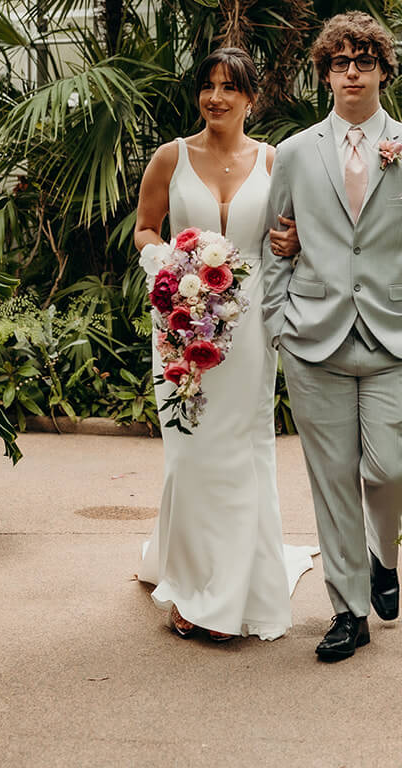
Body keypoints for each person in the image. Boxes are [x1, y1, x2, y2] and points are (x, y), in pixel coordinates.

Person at [260, 11, 402, 662]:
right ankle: (347, 610)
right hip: (313, 340)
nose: (350, 72)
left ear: (383, 70)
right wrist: (279, 325)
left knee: (392, 467)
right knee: (331, 478)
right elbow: (273, 249)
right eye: (339, 61)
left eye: (363, 60)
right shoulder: (291, 153)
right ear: (323, 73)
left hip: (396, 339)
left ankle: (383, 555)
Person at [135, 45, 313, 641]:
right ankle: (188, 586)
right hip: (179, 321)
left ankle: (237, 591)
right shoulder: (169, 157)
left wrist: (289, 246)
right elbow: (144, 227)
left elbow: (289, 233)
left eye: (229, 87)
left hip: (251, 323)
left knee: (244, 448)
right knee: (189, 448)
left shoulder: (276, 161)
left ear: (250, 98)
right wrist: (163, 264)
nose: (216, 97)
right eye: (208, 86)